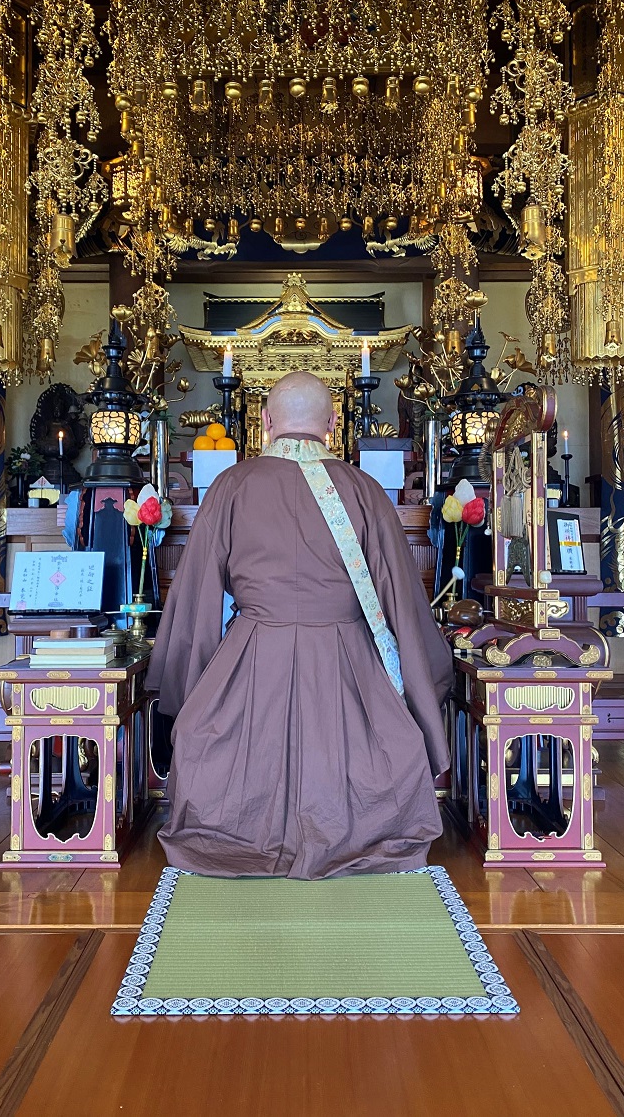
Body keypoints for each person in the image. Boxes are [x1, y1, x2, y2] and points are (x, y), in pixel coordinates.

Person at [146, 371, 453, 879]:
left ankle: (236, 837)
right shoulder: (364, 490)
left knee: (209, 741)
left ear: (265, 423)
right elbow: (402, 600)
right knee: (383, 752)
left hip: (252, 651)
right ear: (332, 424)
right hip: (346, 656)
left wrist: (184, 686)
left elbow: (197, 599)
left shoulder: (231, 486)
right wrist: (424, 683)